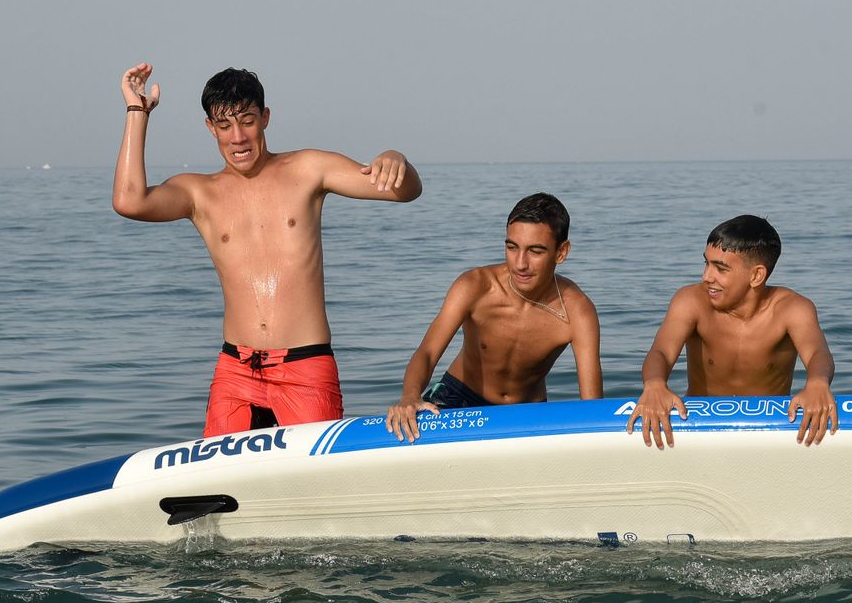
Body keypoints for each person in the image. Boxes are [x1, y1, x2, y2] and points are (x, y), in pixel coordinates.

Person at [112, 63, 422, 436]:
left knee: (312, 483)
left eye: (247, 121)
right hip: (235, 370)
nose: (238, 137)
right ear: (211, 128)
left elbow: (405, 192)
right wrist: (137, 112)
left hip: (305, 368)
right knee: (221, 486)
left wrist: (396, 159)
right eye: (224, 126)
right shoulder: (199, 193)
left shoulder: (308, 169)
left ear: (266, 118)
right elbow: (129, 202)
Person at [384, 193, 602, 442]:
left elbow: (592, 405)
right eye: (512, 247)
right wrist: (411, 396)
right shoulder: (475, 287)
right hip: (458, 397)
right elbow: (427, 352)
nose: (520, 264)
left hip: (527, 411)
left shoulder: (578, 312)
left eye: (535, 251)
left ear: (561, 252)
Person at [626, 214, 837, 450]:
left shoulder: (792, 309)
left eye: (721, 269)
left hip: (768, 428)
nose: (707, 277)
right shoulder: (691, 301)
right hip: (700, 424)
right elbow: (661, 351)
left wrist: (817, 384)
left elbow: (818, 352)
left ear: (756, 275)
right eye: (706, 263)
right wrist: (655, 385)